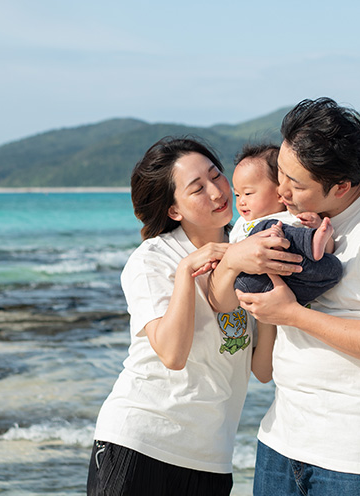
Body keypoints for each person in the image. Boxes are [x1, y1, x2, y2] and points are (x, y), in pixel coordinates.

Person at [209, 98, 360, 495]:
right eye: (281, 175)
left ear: (342, 186)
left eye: (296, 185)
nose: (281, 191)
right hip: (281, 437)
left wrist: (292, 315)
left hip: (356, 458)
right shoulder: (291, 215)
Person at [87, 137, 273, 496]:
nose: (218, 192)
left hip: (211, 459)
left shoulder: (248, 251)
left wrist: (270, 293)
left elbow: (262, 370)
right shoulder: (153, 259)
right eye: (197, 188)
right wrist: (188, 270)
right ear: (174, 210)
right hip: (141, 443)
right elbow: (172, 354)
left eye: (216, 175)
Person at [231, 143, 342, 306]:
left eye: (248, 194)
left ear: (279, 193)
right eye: (237, 194)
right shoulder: (242, 224)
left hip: (294, 282)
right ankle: (278, 241)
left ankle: (309, 240)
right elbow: (233, 254)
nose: (241, 201)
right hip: (257, 282)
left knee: (335, 267)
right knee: (265, 229)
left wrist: (318, 227)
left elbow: (328, 250)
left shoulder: (295, 216)